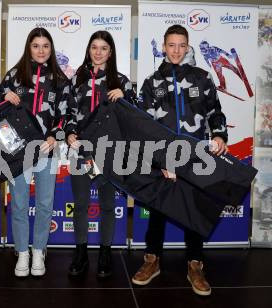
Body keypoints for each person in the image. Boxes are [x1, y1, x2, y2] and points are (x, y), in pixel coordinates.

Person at [132, 24, 228, 296]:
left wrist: (220, 135)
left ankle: (195, 265)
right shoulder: (151, 82)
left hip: (196, 158)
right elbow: (144, 126)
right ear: (163, 46)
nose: (176, 50)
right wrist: (161, 161)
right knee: (158, 213)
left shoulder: (202, 78)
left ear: (187, 47)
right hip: (162, 161)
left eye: (181, 45)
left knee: (194, 212)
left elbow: (215, 113)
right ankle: (152, 259)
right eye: (171, 45)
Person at [0, 27, 70, 277]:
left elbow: (66, 114)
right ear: (29, 48)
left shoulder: (60, 79)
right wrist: (5, 95)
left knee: (45, 204)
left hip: (47, 149)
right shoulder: (15, 74)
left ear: (51, 49)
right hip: (18, 153)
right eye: (36, 45)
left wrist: (54, 136)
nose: (41, 50)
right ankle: (22, 252)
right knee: (20, 204)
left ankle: (39, 251)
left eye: (45, 46)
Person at [65, 31, 136, 278]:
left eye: (103, 48)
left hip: (110, 153)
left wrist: (127, 97)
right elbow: (68, 112)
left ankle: (106, 252)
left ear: (111, 52)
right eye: (94, 47)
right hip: (80, 151)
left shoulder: (122, 82)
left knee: (108, 205)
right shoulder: (77, 79)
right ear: (88, 50)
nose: (98, 52)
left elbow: (136, 116)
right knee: (81, 205)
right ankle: (81, 252)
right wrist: (69, 133)